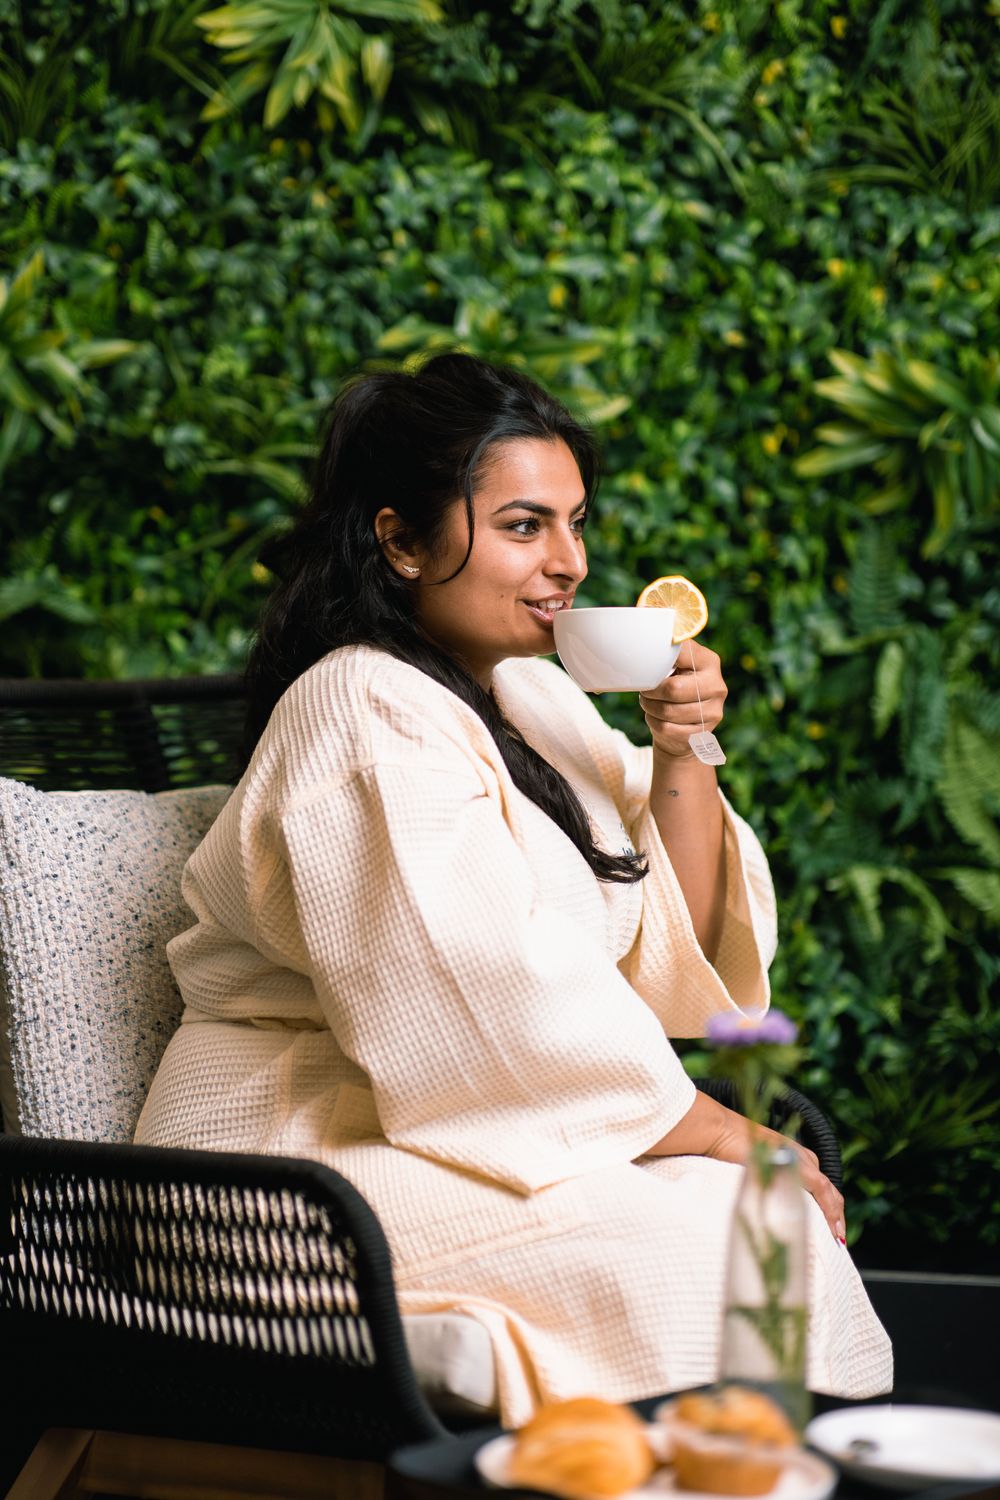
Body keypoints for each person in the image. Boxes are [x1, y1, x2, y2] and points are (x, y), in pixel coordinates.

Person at [134, 352, 892, 1423]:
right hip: (282, 1157)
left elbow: (668, 943)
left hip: (443, 1120)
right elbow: (469, 992)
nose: (570, 563)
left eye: (576, 524)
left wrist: (682, 747)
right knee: (706, 1242)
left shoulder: (536, 699)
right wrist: (723, 1129)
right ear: (400, 540)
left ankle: (722, 1475)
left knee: (757, 1224)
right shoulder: (360, 706)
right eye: (525, 526)